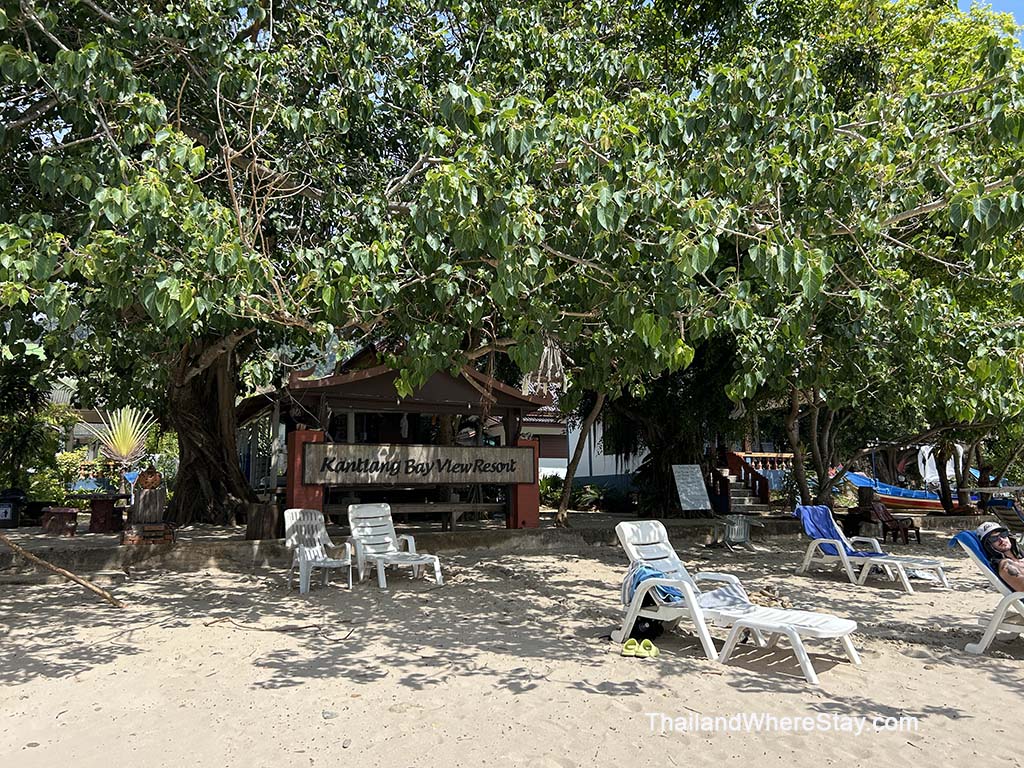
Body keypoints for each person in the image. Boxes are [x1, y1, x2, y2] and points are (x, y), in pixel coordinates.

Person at [977, 521, 1024, 592]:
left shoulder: (1020, 556)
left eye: (1003, 534)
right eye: (994, 538)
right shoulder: (1005, 564)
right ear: (988, 546)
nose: (1001, 540)